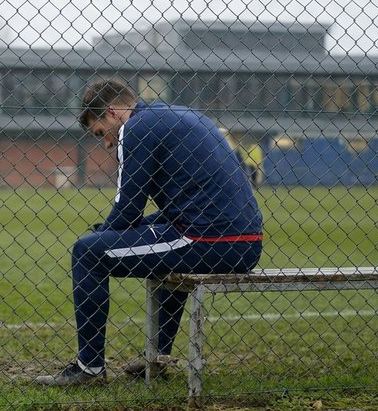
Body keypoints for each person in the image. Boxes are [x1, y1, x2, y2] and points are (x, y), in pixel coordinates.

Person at [36, 80, 263, 385]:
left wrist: (103, 233)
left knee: (87, 252)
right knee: (162, 245)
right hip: (243, 241)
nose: (105, 144)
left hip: (209, 239)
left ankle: (88, 368)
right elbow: (173, 209)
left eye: (101, 133)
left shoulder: (136, 128)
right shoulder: (179, 115)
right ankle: (157, 359)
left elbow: (128, 207)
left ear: (114, 113)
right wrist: (131, 229)